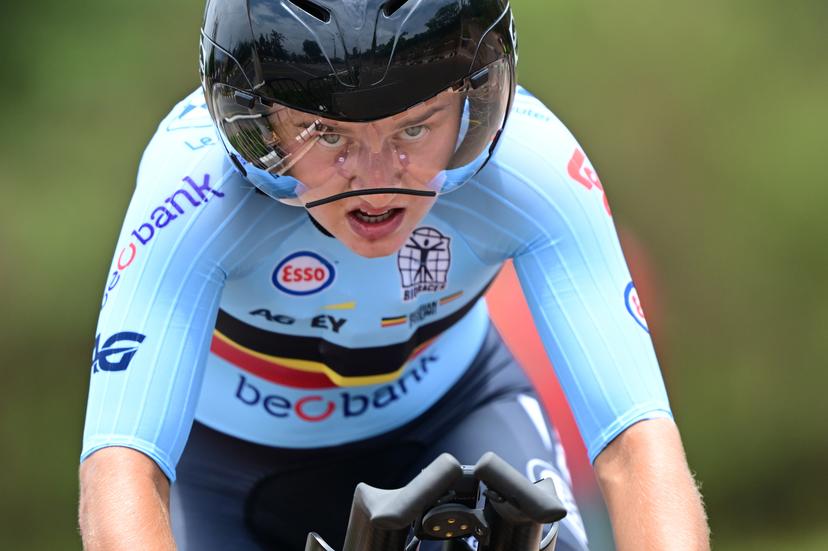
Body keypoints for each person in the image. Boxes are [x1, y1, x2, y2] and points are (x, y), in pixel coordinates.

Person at [78, 1, 710, 549]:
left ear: (477, 102)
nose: (375, 175)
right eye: (324, 133)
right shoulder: (192, 196)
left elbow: (636, 448)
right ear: (256, 122)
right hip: (229, 476)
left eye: (414, 126)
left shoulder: (533, 169)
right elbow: (120, 471)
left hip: (457, 419)